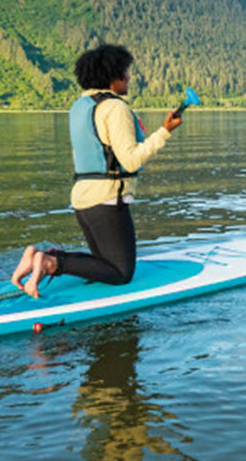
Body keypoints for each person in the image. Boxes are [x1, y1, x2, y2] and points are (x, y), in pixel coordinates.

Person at [12, 44, 182, 297]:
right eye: (124, 72)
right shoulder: (115, 108)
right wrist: (165, 131)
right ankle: (50, 262)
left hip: (83, 197)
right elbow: (132, 160)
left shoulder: (80, 106)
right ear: (111, 76)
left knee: (103, 264)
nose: (128, 78)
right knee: (121, 273)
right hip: (107, 199)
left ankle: (39, 256)